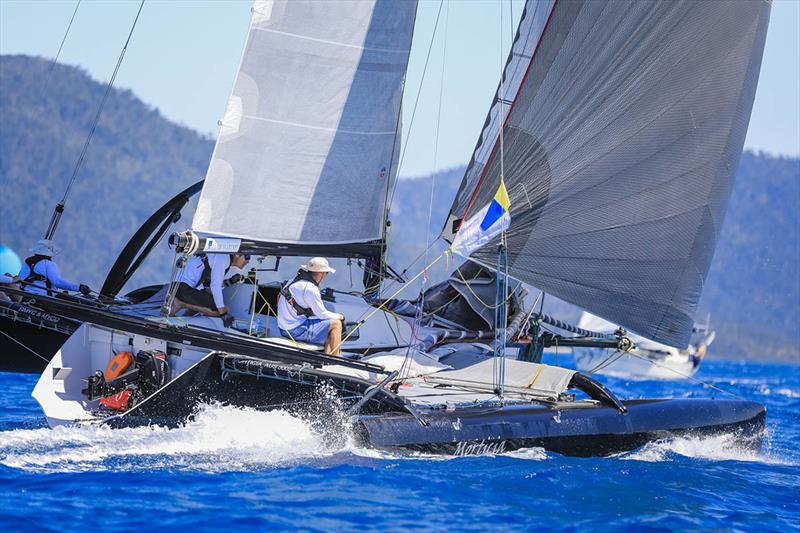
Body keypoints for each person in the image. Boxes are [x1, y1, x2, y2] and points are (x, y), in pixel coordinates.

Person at [277, 257, 345, 356]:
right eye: (327, 273)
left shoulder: (293, 281)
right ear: (322, 274)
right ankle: (336, 360)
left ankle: (328, 357)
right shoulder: (311, 289)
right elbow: (322, 314)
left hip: (283, 328)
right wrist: (340, 316)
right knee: (336, 324)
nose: (326, 276)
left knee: (327, 325)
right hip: (295, 331)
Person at [171, 252, 249, 318]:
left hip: (177, 285)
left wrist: (230, 282)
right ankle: (181, 304)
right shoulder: (223, 259)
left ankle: (185, 317)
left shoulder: (222, 257)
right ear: (237, 254)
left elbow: (210, 285)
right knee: (219, 310)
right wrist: (223, 312)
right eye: (247, 257)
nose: (248, 261)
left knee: (213, 303)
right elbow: (215, 286)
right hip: (183, 288)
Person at [18, 239, 91, 297]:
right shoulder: (49, 264)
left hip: (24, 296)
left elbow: (19, 281)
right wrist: (79, 287)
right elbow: (57, 282)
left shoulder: (27, 264)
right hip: (43, 299)